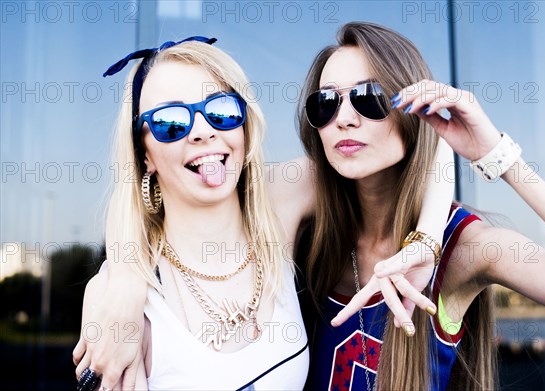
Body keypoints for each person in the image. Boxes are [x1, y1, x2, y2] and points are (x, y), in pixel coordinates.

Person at [73, 34, 455, 390]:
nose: (203, 131)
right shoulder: (128, 301)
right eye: (169, 122)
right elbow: (127, 207)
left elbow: (431, 137)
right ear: (144, 154)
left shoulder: (277, 203)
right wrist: (122, 280)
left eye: (221, 110)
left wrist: (427, 240)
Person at [296, 22, 545, 391]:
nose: (343, 119)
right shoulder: (305, 238)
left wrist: (501, 159)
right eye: (326, 102)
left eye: (369, 96)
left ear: (414, 109)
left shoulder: (465, 247)